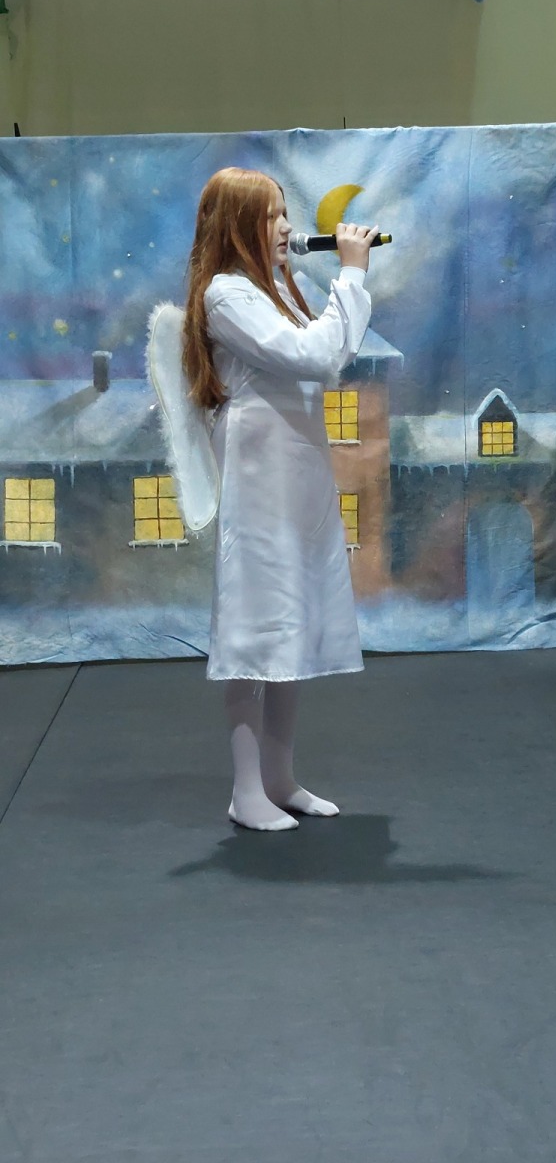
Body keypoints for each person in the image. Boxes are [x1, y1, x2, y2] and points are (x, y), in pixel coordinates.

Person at [182, 166, 379, 831]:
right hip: (259, 483)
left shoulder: (272, 292)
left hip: (297, 477)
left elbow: (331, 351)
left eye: (286, 213)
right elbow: (312, 355)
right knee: (255, 629)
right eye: (273, 215)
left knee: (290, 622)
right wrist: (351, 275)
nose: (288, 228)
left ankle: (279, 779)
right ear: (238, 225)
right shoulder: (226, 296)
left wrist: (347, 283)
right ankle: (246, 791)